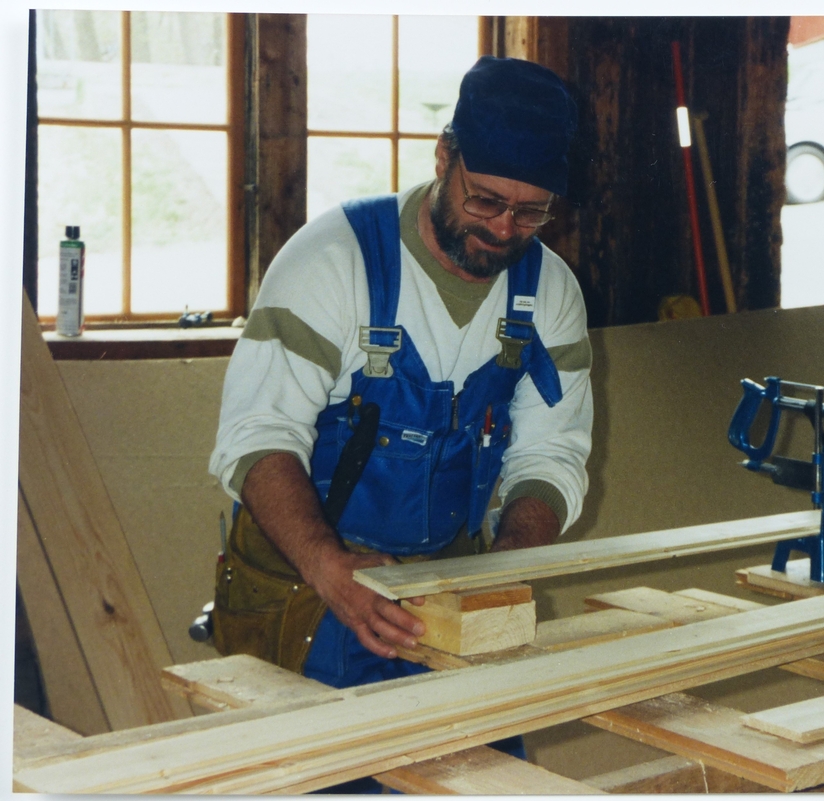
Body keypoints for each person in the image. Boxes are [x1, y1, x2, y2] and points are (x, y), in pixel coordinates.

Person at [207, 56, 592, 699]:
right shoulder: (333, 261)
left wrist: (503, 569)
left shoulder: (548, 294)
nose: (504, 229)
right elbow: (258, 435)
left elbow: (552, 455)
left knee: (486, 752)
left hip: (444, 595)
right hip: (307, 585)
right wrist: (329, 567)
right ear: (444, 157)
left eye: (531, 213)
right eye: (486, 200)